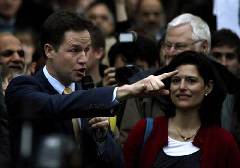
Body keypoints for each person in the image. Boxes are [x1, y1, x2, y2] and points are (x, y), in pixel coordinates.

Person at [5, 10, 177, 167]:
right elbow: (54, 105)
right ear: (49, 51)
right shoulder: (23, 88)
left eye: (86, 50)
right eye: (74, 50)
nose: (83, 59)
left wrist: (102, 138)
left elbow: (116, 163)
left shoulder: (89, 95)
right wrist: (124, 90)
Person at [119, 13, 240, 147]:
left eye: (179, 46)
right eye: (167, 45)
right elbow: (128, 144)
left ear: (204, 47)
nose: (170, 52)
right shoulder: (142, 85)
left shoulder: (230, 86)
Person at [124, 51, 240, 168]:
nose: (182, 87)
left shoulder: (223, 141)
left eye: (191, 80)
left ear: (208, 87)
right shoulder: (144, 130)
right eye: (176, 80)